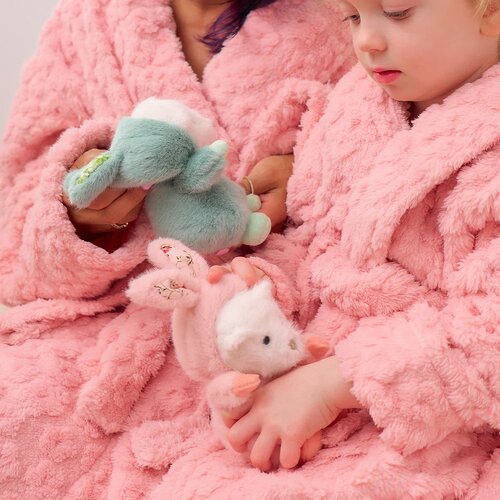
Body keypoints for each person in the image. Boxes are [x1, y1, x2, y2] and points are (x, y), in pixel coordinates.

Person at [0, 0, 354, 497]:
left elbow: (402, 154)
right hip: (121, 322)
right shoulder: (90, 20)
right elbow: (14, 225)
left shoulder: (348, 15)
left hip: (287, 330)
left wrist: (314, 169)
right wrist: (82, 219)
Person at [146, 0, 499, 497]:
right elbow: (315, 240)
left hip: (431, 410)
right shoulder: (357, 105)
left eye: (398, 13)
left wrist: (334, 386)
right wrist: (261, 292)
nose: (366, 41)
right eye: (353, 16)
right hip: (304, 369)